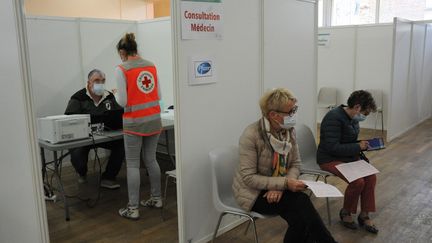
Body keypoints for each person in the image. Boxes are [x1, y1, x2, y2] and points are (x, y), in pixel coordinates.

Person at [232, 88, 337, 243]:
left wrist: (280, 186)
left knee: (300, 220)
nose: (294, 115)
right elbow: (248, 178)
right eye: (290, 111)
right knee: (301, 204)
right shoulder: (251, 135)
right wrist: (285, 183)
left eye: (295, 109)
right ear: (273, 115)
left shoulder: (288, 131)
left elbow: (296, 163)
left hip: (278, 187)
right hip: (253, 193)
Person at [115, 33, 163, 220]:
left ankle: (133, 208)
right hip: (154, 119)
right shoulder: (151, 65)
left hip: (134, 122)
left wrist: (116, 93)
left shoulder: (122, 69)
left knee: (133, 164)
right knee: (151, 159)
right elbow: (158, 94)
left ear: (122, 52)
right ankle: (156, 198)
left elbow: (123, 101)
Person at [317, 90, 379, 234]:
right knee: (358, 181)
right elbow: (332, 147)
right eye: (366, 113)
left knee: (371, 177)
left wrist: (361, 144)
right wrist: (357, 146)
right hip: (329, 158)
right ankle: (346, 212)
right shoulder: (333, 118)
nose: (365, 116)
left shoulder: (353, 118)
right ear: (357, 107)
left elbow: (347, 141)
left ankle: (364, 215)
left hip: (347, 156)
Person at [65, 69, 125, 189]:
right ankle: (81, 173)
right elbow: (69, 120)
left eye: (103, 81)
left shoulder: (109, 96)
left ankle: (108, 177)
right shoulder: (78, 98)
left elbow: (118, 113)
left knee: (122, 144)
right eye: (96, 80)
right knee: (78, 157)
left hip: (105, 135)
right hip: (83, 138)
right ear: (89, 83)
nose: (100, 83)